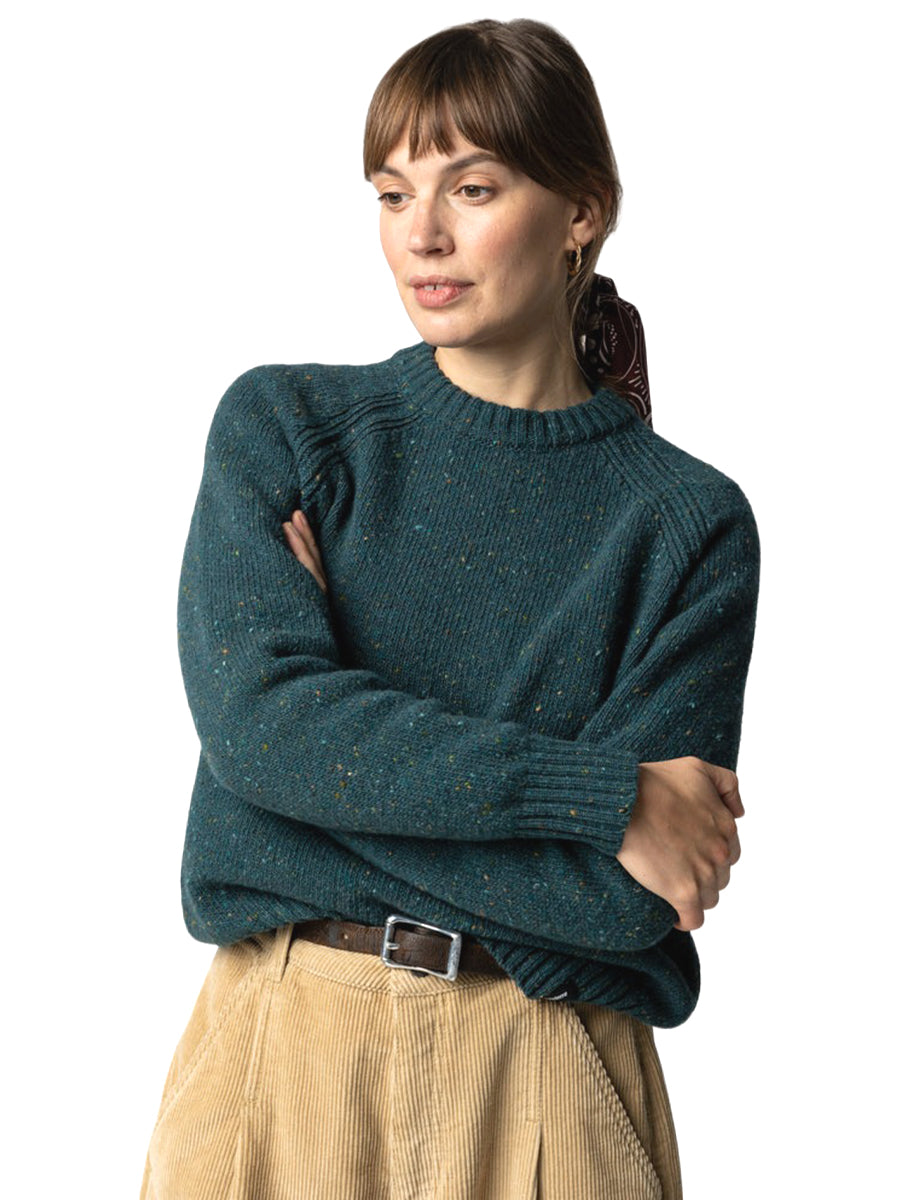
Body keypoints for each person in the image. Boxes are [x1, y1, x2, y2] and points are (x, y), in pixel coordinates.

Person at [140, 18, 760, 1200]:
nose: (422, 233)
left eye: (472, 188)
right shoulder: (291, 433)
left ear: (580, 211)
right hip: (284, 1049)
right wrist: (602, 797)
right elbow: (260, 735)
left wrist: (300, 800)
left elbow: (626, 899)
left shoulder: (685, 523)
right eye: (392, 193)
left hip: (548, 1062)